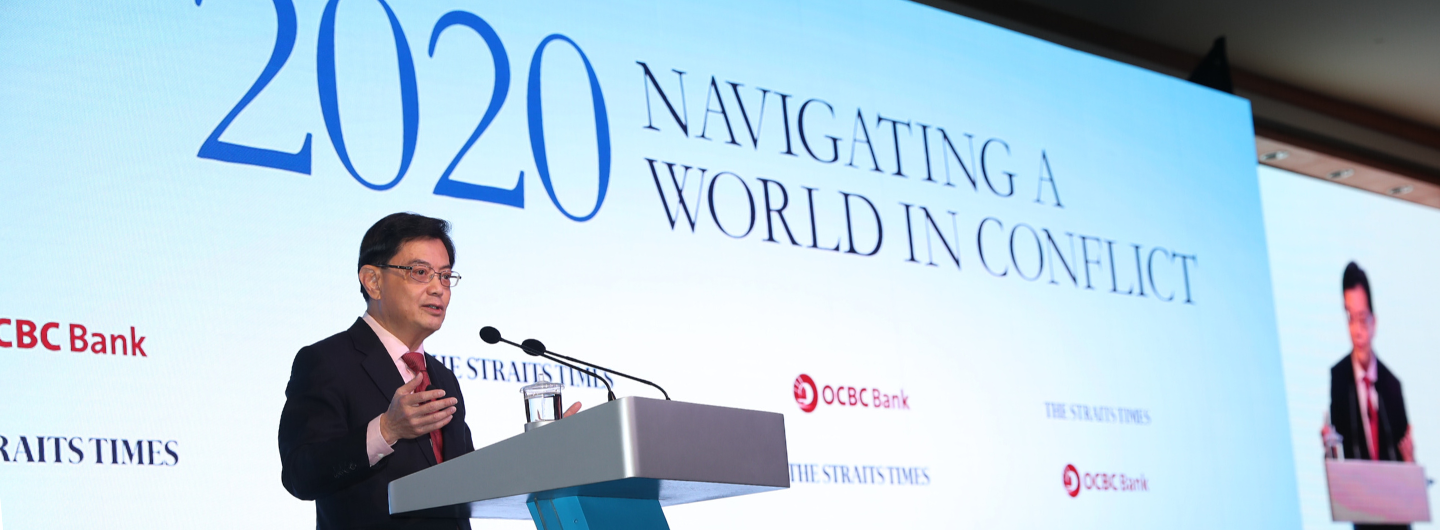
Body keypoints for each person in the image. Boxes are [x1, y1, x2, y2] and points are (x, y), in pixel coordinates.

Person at [279, 212, 475, 529]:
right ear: (373, 281)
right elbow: (301, 475)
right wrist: (386, 429)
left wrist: (545, 449)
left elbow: (465, 481)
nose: (438, 289)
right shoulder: (326, 361)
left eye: (445, 276)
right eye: (421, 272)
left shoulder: (442, 377)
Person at [1323, 262, 1416, 530]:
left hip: (1397, 516)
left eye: (1362, 318)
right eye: (1350, 318)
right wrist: (1329, 449)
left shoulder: (1392, 384)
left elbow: (1406, 464)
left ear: (1374, 322)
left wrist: (1409, 460)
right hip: (1363, 516)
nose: (1357, 330)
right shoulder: (1339, 378)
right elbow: (1338, 462)